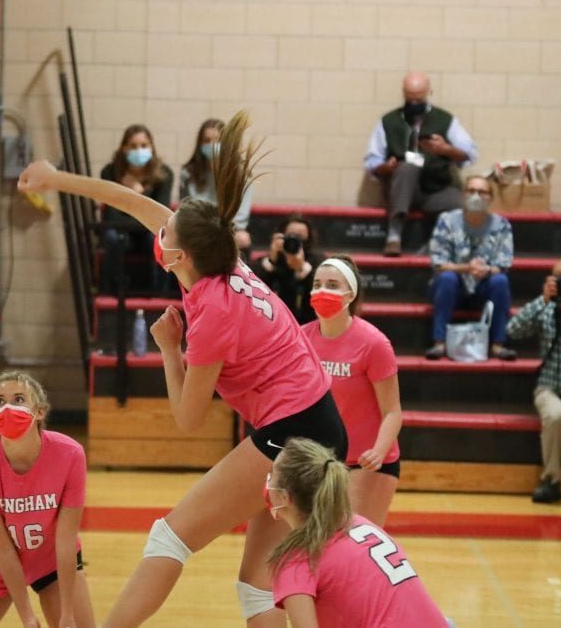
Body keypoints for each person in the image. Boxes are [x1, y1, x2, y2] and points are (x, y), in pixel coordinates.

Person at [19, 110, 348, 628]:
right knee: (257, 585)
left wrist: (170, 349)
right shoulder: (221, 263)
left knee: (170, 536)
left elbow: (189, 419)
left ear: (179, 253)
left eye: (167, 228)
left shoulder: (213, 310)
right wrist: (56, 179)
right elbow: (130, 202)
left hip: (296, 434)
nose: (160, 228)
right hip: (315, 424)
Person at [0, 371, 95, 628]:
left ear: (39, 411)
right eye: (0, 402)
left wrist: (68, 614)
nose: (8, 408)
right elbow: (3, 550)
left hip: (51, 563)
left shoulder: (70, 454)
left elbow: (66, 539)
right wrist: (27, 616)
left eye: (18, 399)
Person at [267, 437, 450, 628]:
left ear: (283, 496)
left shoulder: (296, 563)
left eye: (271, 475)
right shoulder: (360, 523)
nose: (268, 480)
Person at [301, 255, 401, 526]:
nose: (323, 291)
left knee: (353, 546)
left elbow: (393, 412)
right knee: (312, 543)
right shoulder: (302, 339)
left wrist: (378, 452)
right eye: (318, 284)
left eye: (332, 285)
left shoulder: (374, 344)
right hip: (322, 460)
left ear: (350, 294)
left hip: (368, 463)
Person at [364, 71, 477, 257]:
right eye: (410, 99)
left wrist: (446, 149)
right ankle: (394, 236)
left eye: (419, 99)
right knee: (408, 167)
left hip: (436, 189)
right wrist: (387, 166)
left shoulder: (445, 120)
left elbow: (470, 154)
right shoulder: (388, 121)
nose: (414, 104)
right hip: (401, 191)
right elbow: (371, 162)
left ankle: (435, 244)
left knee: (461, 203)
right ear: (404, 94)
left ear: (428, 93)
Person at [506, 256, 561, 504]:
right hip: (550, 387)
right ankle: (551, 479)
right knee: (557, 415)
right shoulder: (545, 308)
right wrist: (543, 299)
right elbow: (513, 330)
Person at [425, 174, 516, 361]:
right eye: (471, 191)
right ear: (464, 195)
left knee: (500, 281)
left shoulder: (502, 225)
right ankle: (439, 343)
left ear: (490, 197)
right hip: (454, 287)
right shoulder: (447, 220)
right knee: (447, 277)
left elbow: (504, 263)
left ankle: (498, 345)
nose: (476, 196)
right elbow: (438, 262)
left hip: (484, 286)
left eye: (482, 192)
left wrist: (487, 270)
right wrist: (466, 268)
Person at [98, 124, 174, 295]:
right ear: (124, 148)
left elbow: (161, 218)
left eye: (144, 146)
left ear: (152, 148)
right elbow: (111, 217)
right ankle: (110, 294)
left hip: (149, 233)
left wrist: (138, 195)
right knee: (112, 238)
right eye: (133, 146)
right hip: (122, 231)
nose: (139, 150)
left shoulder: (164, 173)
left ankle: (159, 296)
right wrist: (142, 215)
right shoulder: (110, 172)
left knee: (160, 241)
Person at [179, 118, 253, 256]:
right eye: (207, 140)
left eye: (217, 140)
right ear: (199, 144)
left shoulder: (241, 173)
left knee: (242, 238)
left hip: (230, 229)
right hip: (198, 228)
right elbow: (185, 207)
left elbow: (241, 214)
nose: (212, 145)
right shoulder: (188, 173)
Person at [255, 214, 324, 325]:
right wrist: (272, 262)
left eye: (301, 238)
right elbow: (254, 292)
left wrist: (303, 270)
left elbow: (320, 298)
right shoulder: (265, 262)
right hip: (271, 324)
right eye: (290, 236)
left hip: (306, 325)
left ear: (309, 240)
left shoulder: (318, 262)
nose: (294, 241)